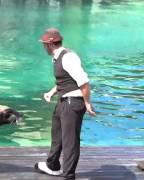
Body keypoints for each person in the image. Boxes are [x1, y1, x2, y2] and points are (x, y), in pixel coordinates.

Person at [34, 28, 96, 180]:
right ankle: (52, 165)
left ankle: (68, 175)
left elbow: (84, 82)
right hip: (63, 100)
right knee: (57, 135)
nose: (43, 47)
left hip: (73, 102)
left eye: (44, 44)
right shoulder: (56, 57)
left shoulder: (68, 57)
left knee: (70, 141)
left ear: (49, 44)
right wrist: (51, 92)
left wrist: (87, 103)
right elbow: (64, 80)